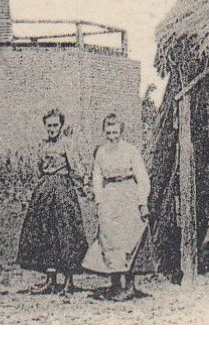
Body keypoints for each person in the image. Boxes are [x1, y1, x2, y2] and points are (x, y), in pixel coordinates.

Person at [16, 109, 88, 294]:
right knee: (45, 233)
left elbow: (76, 169)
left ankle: (68, 281)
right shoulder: (42, 146)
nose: (52, 129)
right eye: (49, 126)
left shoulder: (67, 144)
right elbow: (38, 169)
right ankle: (50, 280)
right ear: (45, 126)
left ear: (61, 126)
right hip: (45, 192)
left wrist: (83, 185)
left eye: (55, 125)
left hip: (63, 192)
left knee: (66, 233)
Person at [82, 112, 149, 301]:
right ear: (104, 132)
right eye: (109, 133)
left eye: (115, 132)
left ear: (121, 131)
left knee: (128, 240)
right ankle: (114, 284)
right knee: (109, 239)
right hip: (109, 196)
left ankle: (128, 285)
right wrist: (99, 201)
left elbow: (142, 177)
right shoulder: (101, 152)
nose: (112, 137)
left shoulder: (131, 151)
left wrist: (142, 201)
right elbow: (97, 178)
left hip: (128, 195)